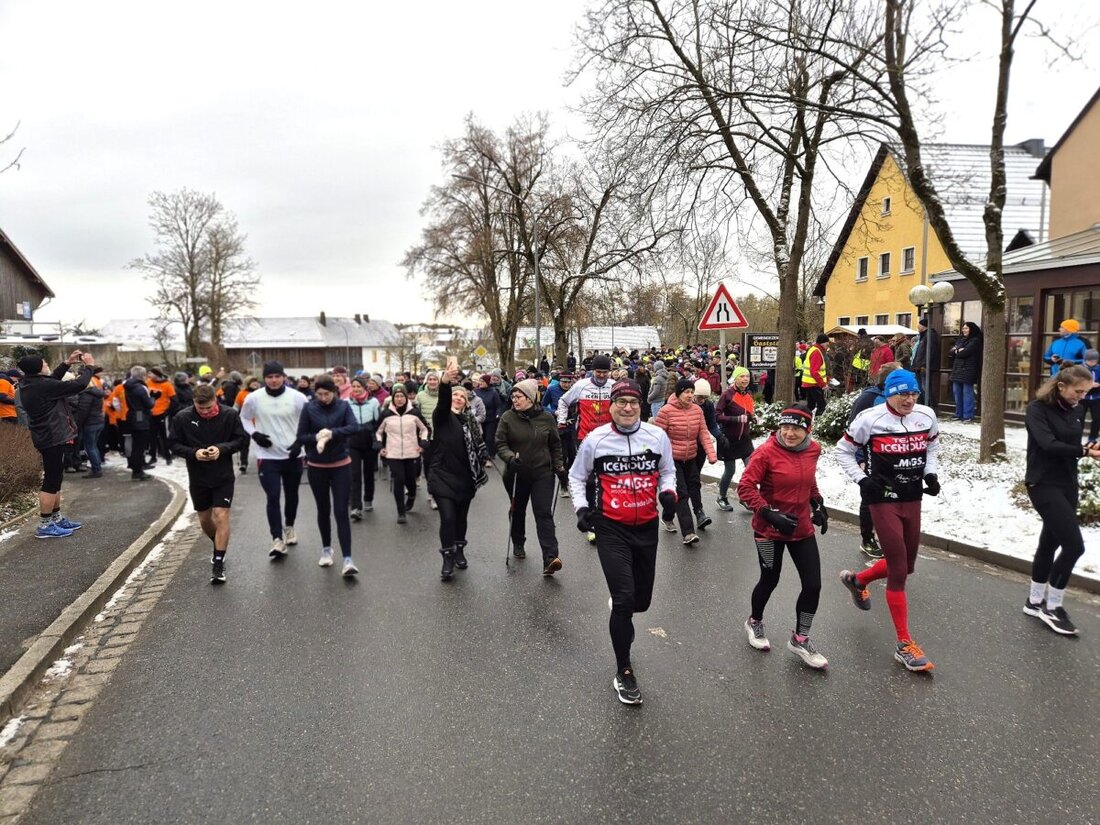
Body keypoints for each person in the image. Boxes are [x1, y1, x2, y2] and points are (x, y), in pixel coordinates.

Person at [569, 379, 676, 705]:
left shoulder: (656, 436)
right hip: (610, 528)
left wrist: (668, 493)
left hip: (645, 527)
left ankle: (623, 603)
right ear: (611, 405)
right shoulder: (595, 439)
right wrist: (583, 508)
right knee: (626, 598)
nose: (627, 407)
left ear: (641, 405)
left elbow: (667, 470)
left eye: (633, 402)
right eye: (621, 402)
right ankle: (624, 671)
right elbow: (576, 476)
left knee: (640, 602)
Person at [836, 369, 940, 672]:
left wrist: (930, 473)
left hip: (912, 497)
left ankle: (858, 580)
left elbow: (931, 446)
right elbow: (843, 451)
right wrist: (861, 479)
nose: (909, 399)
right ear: (890, 394)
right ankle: (905, 644)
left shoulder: (926, 416)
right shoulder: (870, 419)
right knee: (899, 572)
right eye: (902, 394)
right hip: (882, 498)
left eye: (914, 393)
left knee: (907, 565)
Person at [738, 405, 829, 668]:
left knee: (813, 585)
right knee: (770, 579)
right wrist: (769, 513)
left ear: (807, 430)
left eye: (797, 428)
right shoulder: (765, 452)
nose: (789, 433)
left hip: (800, 529)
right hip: (768, 530)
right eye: (785, 427)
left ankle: (800, 638)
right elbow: (745, 487)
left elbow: (808, 479)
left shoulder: (814, 449)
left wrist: (818, 502)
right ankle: (754, 622)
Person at [1022, 365, 1100, 635]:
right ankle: (1052, 606)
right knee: (1074, 545)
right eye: (1078, 391)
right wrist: (1083, 451)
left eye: (1086, 392)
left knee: (1050, 541)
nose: (1081, 397)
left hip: (1068, 483)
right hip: (1042, 482)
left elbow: (1070, 446)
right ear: (1061, 386)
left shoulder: (1076, 409)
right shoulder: (1037, 409)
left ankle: (1033, 601)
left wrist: (1087, 449)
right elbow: (1048, 444)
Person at [169, 383, 248, 583]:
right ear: (193, 402)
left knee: (221, 516)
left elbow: (240, 440)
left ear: (215, 400)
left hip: (223, 475)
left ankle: (219, 563)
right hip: (198, 477)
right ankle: (218, 544)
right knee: (205, 520)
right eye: (200, 407)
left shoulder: (229, 415)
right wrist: (193, 453)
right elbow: (173, 444)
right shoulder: (183, 418)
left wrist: (221, 449)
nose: (204, 411)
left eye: (208, 407)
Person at [17, 351, 95, 538]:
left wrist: (67, 363)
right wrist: (89, 366)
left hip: (48, 435)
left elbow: (51, 380)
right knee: (51, 481)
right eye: (44, 363)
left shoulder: (31, 383)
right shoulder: (42, 386)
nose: (47, 365)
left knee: (56, 479)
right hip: (51, 437)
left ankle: (56, 518)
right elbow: (79, 384)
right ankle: (45, 525)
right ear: (37, 369)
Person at [495, 377, 567, 574]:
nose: (515, 400)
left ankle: (550, 558)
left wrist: (559, 466)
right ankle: (518, 541)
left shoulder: (546, 418)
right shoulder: (508, 418)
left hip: (542, 472)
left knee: (543, 513)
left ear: (530, 398)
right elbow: (500, 443)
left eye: (519, 396)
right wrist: (510, 458)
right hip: (517, 473)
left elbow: (555, 444)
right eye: (513, 396)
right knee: (518, 510)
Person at [428, 357, 489, 580]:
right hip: (442, 476)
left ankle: (460, 549)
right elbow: (443, 401)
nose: (458, 398)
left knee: (461, 518)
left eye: (462, 396)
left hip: (465, 478)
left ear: (466, 402)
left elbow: (478, 447)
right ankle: (447, 556)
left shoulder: (470, 423)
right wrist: (446, 382)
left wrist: (483, 453)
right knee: (447, 517)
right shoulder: (442, 417)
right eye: (455, 394)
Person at [240, 361, 308, 559]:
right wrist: (255, 434)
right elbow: (244, 418)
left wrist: (299, 443)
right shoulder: (254, 398)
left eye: (277, 376)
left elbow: (309, 420)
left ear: (284, 377)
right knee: (273, 496)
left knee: (292, 494)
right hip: (267, 455)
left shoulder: (297, 397)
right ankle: (277, 539)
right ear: (264, 379)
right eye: (270, 377)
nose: (274, 380)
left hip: (293, 454)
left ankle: (289, 527)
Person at [295, 375, 360, 576]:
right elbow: (300, 437)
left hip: (341, 463)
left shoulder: (343, 406)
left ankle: (348, 559)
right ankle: (326, 549)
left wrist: (332, 433)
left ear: (334, 392)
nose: (323, 398)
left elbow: (353, 427)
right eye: (319, 394)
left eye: (327, 394)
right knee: (323, 509)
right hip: (317, 465)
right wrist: (316, 437)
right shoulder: (309, 408)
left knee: (341, 511)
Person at [557, 354, 615, 542]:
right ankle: (591, 522)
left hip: (610, 438)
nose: (601, 375)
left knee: (608, 479)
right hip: (586, 438)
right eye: (598, 372)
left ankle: (608, 518)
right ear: (592, 371)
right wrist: (562, 421)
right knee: (590, 481)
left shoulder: (613, 385)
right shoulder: (581, 385)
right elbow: (563, 401)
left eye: (605, 372)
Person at [654, 378, 717, 545]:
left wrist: (711, 454)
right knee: (681, 493)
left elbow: (703, 432)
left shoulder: (697, 410)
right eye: (686, 392)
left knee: (694, 486)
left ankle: (669, 516)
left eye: (692, 392)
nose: (690, 395)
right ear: (678, 393)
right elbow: (657, 437)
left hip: (690, 457)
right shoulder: (666, 411)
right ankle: (688, 532)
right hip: (672, 459)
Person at [848, 362, 900, 559]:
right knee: (870, 498)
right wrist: (860, 458)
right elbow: (853, 430)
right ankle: (867, 538)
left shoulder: (902, 400)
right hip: (871, 458)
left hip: (895, 458)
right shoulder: (868, 398)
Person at [375, 384, 428, 524]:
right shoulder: (386, 414)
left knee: (411, 480)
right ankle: (401, 511)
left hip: (412, 452)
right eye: (396, 396)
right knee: (399, 479)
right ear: (392, 398)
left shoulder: (414, 412)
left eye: (402, 396)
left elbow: (425, 429)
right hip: (393, 453)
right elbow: (377, 432)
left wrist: (423, 443)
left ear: (406, 397)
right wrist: (380, 446)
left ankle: (411, 496)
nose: (399, 399)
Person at [714, 366, 756, 512]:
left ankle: (745, 497)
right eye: (742, 376)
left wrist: (754, 418)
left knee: (751, 469)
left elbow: (748, 414)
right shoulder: (727, 395)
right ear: (735, 379)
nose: (745, 379)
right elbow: (716, 416)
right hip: (728, 439)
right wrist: (735, 419)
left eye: (747, 376)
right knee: (730, 471)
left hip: (744, 438)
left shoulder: (748, 394)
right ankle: (722, 497)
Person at [347, 376, 381, 519]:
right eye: (353, 386)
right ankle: (356, 506)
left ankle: (368, 498)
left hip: (368, 442)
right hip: (352, 442)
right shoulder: (346, 403)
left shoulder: (373, 402)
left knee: (368, 473)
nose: (356, 389)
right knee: (354, 475)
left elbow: (378, 422)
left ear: (364, 387)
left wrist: (378, 440)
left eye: (358, 386)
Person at [123, 366, 156, 481]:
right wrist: (153, 397)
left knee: (136, 444)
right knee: (139, 445)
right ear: (143, 375)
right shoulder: (140, 388)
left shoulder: (128, 385)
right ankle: (137, 471)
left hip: (132, 414)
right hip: (140, 415)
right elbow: (149, 404)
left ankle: (137, 468)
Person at [74, 366, 107, 479]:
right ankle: (97, 468)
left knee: (90, 447)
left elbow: (83, 411)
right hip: (98, 421)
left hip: (90, 423)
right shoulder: (97, 392)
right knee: (94, 446)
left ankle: (96, 469)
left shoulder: (86, 394)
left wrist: (77, 424)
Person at [948, 322, 982, 422]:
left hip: (968, 370)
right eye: (963, 328)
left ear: (971, 329)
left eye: (966, 328)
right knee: (957, 393)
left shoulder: (975, 340)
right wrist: (958, 350)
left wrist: (957, 351)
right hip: (957, 370)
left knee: (967, 394)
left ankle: (968, 415)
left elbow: (965, 352)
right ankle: (958, 414)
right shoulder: (961, 339)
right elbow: (950, 352)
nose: (964, 330)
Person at [146, 368, 176, 466]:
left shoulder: (167, 385)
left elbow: (174, 400)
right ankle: (153, 456)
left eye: (151, 373)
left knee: (164, 436)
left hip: (162, 413)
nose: (149, 375)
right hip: (150, 413)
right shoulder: (148, 383)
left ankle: (168, 456)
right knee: (152, 436)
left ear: (157, 374)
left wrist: (167, 412)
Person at [911, 316, 941, 408]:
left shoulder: (929, 335)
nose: (917, 327)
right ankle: (924, 406)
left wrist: (924, 365)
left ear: (924, 326)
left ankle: (931, 407)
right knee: (921, 388)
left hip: (925, 367)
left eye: (919, 325)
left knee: (926, 388)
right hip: (920, 366)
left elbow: (930, 351)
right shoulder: (923, 336)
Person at [474, 374, 504, 458]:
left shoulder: (493, 392)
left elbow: (498, 406)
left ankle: (490, 455)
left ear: (487, 382)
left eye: (482, 381)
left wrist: (498, 414)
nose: (480, 382)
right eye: (480, 381)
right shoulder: (476, 392)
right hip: (479, 418)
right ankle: (481, 455)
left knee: (489, 438)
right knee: (480, 438)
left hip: (490, 419)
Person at [800, 334, 829, 418]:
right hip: (814, 384)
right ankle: (816, 423)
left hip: (809, 383)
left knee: (811, 405)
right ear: (822, 343)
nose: (827, 347)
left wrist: (826, 379)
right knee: (821, 405)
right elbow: (814, 371)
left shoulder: (813, 349)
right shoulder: (817, 352)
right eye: (827, 344)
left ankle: (803, 419)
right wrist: (823, 384)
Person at [1084, 350, 1100, 442]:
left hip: (1097, 397)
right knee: (1079, 418)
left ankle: (1093, 438)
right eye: (1091, 361)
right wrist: (1089, 384)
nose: (1093, 363)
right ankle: (1076, 437)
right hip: (1083, 397)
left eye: (1095, 361)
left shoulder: (1099, 369)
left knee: (1097, 418)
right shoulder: (1081, 368)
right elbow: (1076, 380)